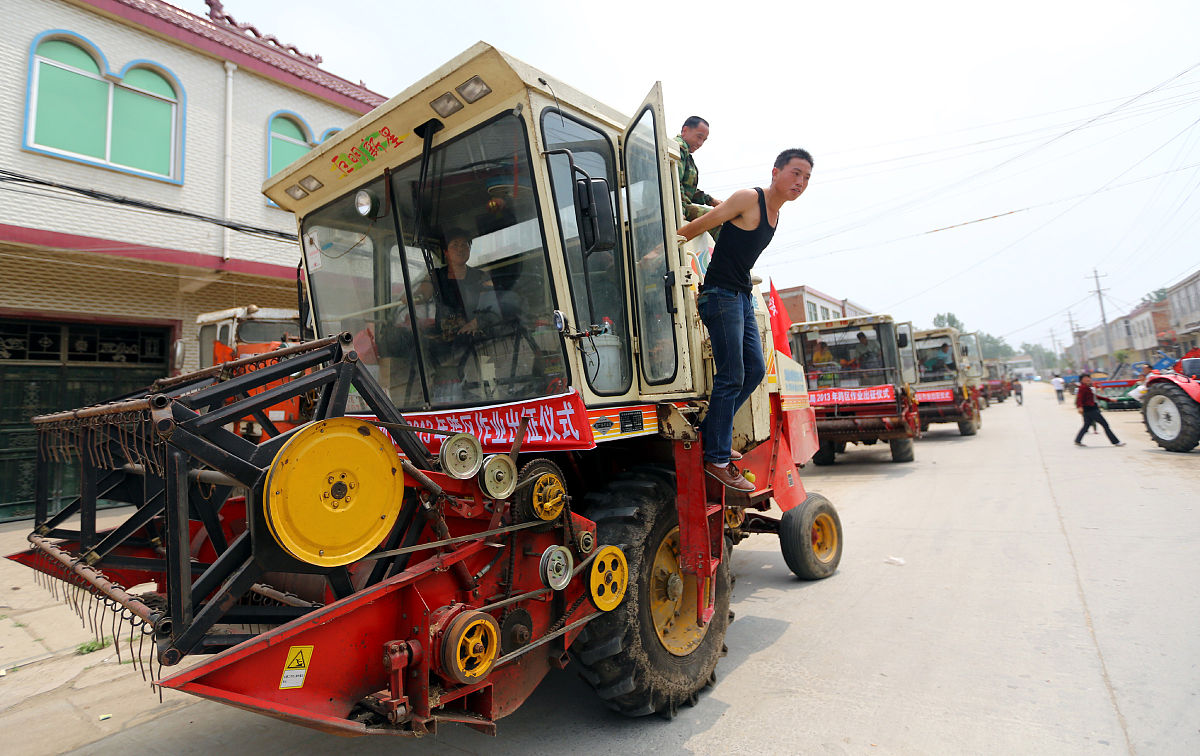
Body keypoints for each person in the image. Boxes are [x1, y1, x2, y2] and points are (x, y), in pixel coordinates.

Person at [678, 148, 814, 491]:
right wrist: (665, 244)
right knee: (732, 374)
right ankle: (717, 458)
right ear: (776, 171)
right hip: (719, 295)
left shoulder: (775, 214)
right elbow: (704, 223)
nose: (801, 182)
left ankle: (713, 434)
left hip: (739, 296)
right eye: (796, 173)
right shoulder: (748, 198)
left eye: (807, 178)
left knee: (754, 370)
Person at [676, 117, 722, 228]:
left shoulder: (686, 155)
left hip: (680, 206)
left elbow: (688, 190)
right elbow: (675, 182)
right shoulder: (679, 149)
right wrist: (679, 213)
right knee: (718, 219)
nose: (700, 143)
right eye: (699, 137)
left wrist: (712, 201)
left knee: (721, 214)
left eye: (704, 140)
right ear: (685, 130)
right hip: (675, 207)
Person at [1074, 373, 1124, 447]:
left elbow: (1095, 397)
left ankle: (1077, 440)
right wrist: (1079, 407)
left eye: (1088, 378)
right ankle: (1116, 442)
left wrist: (1109, 400)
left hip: (1088, 410)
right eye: (1085, 378)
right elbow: (1079, 398)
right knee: (1105, 425)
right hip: (1091, 410)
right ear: (1081, 380)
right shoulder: (1083, 388)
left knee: (1086, 426)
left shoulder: (1087, 388)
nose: (1088, 379)